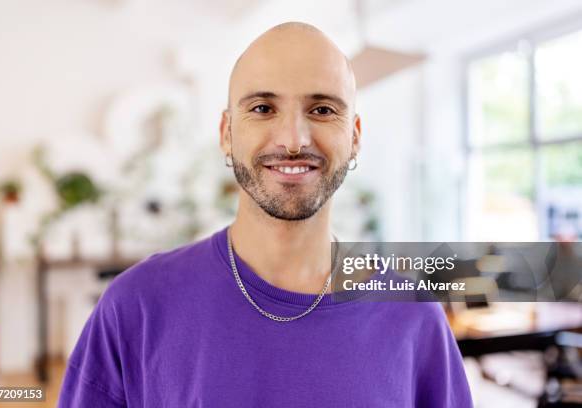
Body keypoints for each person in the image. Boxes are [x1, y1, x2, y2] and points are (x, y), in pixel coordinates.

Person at [58, 22, 473, 407]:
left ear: (355, 136)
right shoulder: (137, 307)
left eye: (323, 110)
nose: (293, 140)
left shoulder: (413, 316)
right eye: (262, 108)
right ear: (226, 134)